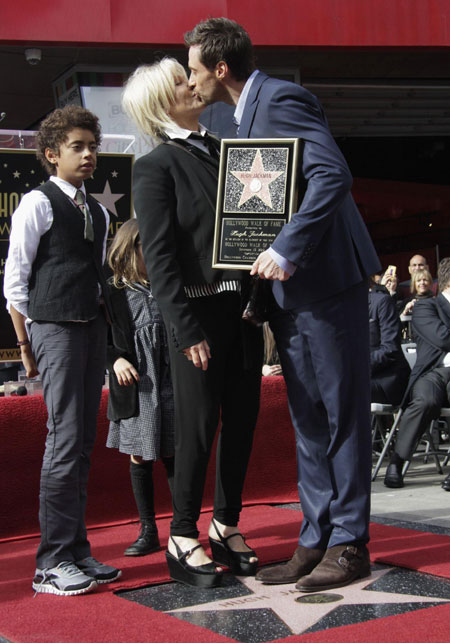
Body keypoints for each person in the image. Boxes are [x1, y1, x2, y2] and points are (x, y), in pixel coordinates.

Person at [185, 17, 381, 592]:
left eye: (194, 69)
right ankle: (317, 537)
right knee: (308, 421)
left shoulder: (277, 99)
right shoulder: (242, 111)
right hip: (290, 296)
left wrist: (286, 247)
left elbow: (331, 174)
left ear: (220, 67)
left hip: (324, 285)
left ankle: (349, 543)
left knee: (340, 415)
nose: (190, 81)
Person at [122, 59, 262, 588]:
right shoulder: (155, 165)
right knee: (199, 429)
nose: (192, 84)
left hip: (245, 309)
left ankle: (226, 524)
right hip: (197, 316)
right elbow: (158, 259)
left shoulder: (230, 152)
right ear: (162, 102)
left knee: (243, 422)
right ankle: (183, 536)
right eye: (181, 82)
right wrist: (184, 329)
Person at [3, 105, 121, 596]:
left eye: (93, 146)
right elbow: (15, 281)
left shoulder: (99, 211)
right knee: (64, 440)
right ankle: (50, 562)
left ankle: (75, 551)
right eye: (78, 146)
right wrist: (34, 339)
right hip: (56, 328)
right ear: (52, 154)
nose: (90, 154)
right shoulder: (38, 202)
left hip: (91, 329)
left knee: (81, 444)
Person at [106, 218, 175, 556]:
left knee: (175, 452)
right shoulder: (113, 289)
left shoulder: (170, 283)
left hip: (173, 383)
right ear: (131, 249)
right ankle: (148, 529)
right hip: (137, 386)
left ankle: (182, 527)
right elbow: (97, 336)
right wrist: (115, 359)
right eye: (149, 245)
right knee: (140, 456)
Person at [384, 258, 450, 489]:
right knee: (425, 401)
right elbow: (443, 338)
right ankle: (397, 461)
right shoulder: (426, 306)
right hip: (433, 372)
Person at [369, 279, 410, 406]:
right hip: (360, 377)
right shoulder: (343, 310)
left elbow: (390, 349)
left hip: (386, 379)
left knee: (345, 389)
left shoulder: (382, 302)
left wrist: (357, 367)